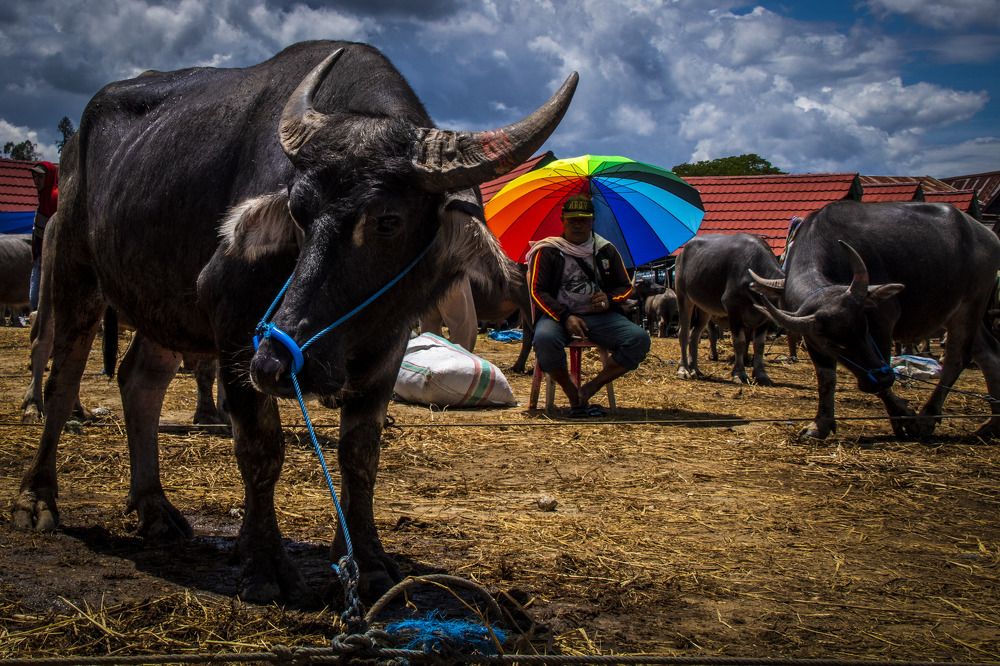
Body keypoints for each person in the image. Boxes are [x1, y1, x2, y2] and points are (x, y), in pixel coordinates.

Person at [527, 194, 650, 416]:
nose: (578, 224)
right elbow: (538, 291)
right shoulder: (548, 250)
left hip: (599, 317)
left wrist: (609, 300)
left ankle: (592, 386)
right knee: (544, 339)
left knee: (639, 340)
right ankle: (572, 392)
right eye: (572, 219)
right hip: (558, 317)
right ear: (562, 220)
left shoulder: (606, 250)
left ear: (592, 221)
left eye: (583, 219)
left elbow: (625, 286)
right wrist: (565, 317)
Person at [29, 161, 58, 312]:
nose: (36, 181)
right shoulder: (42, 197)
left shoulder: (55, 198)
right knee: (34, 300)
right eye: (35, 177)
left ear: (49, 177)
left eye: (40, 177)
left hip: (53, 257)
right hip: (41, 255)